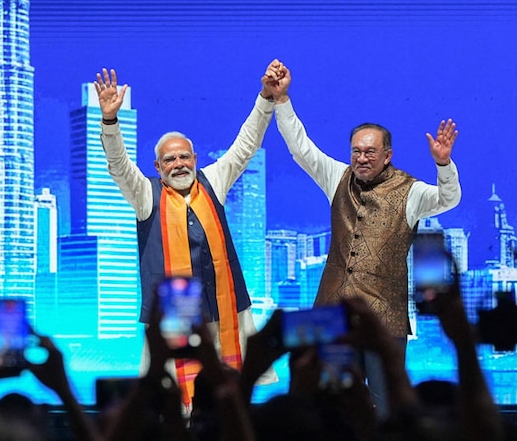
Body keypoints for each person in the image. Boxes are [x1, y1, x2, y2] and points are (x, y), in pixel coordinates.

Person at [266, 61, 462, 419]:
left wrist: (444, 166)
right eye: (356, 150)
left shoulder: (410, 190)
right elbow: (301, 149)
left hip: (383, 320)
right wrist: (282, 100)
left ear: (388, 155)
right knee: (328, 407)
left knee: (388, 407)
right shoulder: (337, 177)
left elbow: (448, 200)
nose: (361, 157)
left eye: (370, 152)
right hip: (329, 317)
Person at [93, 65, 277, 407]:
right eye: (169, 160)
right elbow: (118, 165)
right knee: (176, 405)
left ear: (194, 159)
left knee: (231, 398)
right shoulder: (146, 195)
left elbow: (246, 144)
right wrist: (109, 122)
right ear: (158, 168)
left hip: (225, 315)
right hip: (172, 325)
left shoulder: (214, 181)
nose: (178, 164)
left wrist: (266, 98)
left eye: (183, 156)